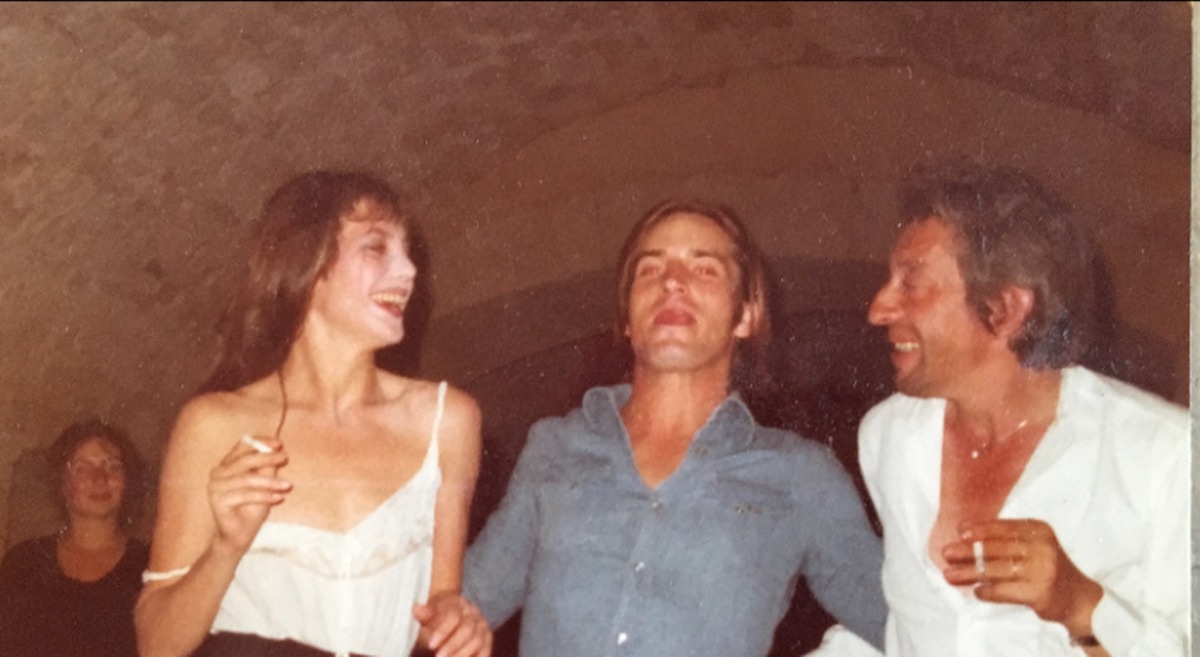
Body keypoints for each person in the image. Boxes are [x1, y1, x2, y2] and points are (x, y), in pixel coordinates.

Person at [462, 199, 887, 657]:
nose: (672, 283)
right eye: (650, 270)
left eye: (704, 269)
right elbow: (465, 604)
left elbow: (907, 626)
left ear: (745, 315)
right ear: (625, 319)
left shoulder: (802, 475)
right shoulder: (554, 445)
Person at [135, 172, 491, 657]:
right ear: (308, 265)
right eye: (376, 247)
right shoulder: (214, 425)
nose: (408, 270)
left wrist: (457, 622)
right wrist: (226, 547)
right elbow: (157, 644)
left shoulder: (447, 421)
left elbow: (438, 607)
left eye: (408, 252)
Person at [857, 161, 1187, 656]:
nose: (878, 308)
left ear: (1006, 309)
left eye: (912, 283)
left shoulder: (1164, 454)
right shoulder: (888, 436)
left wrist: (1081, 606)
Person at [0, 419, 149, 657]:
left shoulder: (151, 566)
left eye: (113, 466)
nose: (99, 478)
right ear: (61, 484)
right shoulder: (25, 563)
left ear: (128, 482)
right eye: (82, 468)